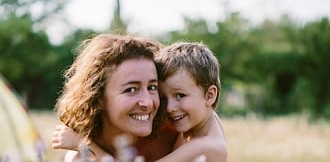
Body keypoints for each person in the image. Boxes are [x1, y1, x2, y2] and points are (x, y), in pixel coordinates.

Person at [53, 40, 228, 162]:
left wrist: (84, 145)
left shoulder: (206, 146)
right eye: (163, 97)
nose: (169, 108)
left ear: (210, 95)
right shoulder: (203, 121)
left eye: (180, 95)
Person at [52, 33, 177, 162]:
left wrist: (88, 146)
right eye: (131, 89)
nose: (148, 103)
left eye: (152, 87)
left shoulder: (174, 135)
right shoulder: (78, 156)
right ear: (98, 97)